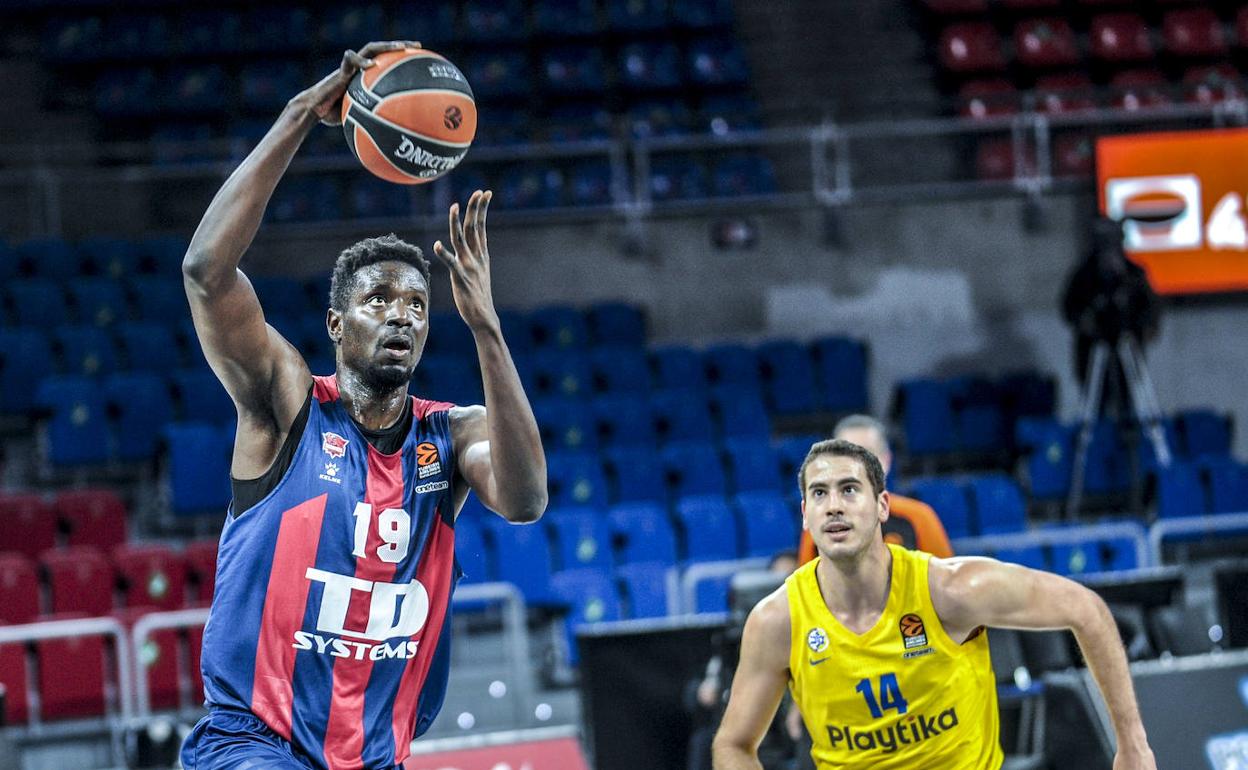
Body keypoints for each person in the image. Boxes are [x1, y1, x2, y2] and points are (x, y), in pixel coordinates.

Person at [178, 42, 547, 770]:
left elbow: (528, 498)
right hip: (253, 744)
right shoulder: (286, 406)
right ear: (337, 325)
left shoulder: (451, 437)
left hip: (377, 756)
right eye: (379, 299)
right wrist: (296, 117)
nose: (402, 315)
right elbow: (206, 271)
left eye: (417, 302)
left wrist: (487, 329)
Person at [712, 439, 1156, 769]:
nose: (834, 507)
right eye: (820, 494)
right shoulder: (779, 620)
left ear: (883, 506)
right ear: (806, 513)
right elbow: (732, 745)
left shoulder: (952, 590)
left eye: (849, 490)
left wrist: (1132, 743)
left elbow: (1087, 610)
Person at [797, 415, 952, 564]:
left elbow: (944, 583)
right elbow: (806, 585)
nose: (855, 465)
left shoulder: (919, 517)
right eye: (845, 455)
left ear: (886, 460)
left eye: (867, 455)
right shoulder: (820, 522)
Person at [1060, 215, 1161, 421]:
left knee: (1128, 401)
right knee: (1096, 404)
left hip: (1128, 345)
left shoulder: (1133, 275)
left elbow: (1150, 307)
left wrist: (1143, 325)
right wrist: (1086, 321)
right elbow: (1069, 307)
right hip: (1094, 349)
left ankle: (1131, 440)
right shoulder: (1084, 276)